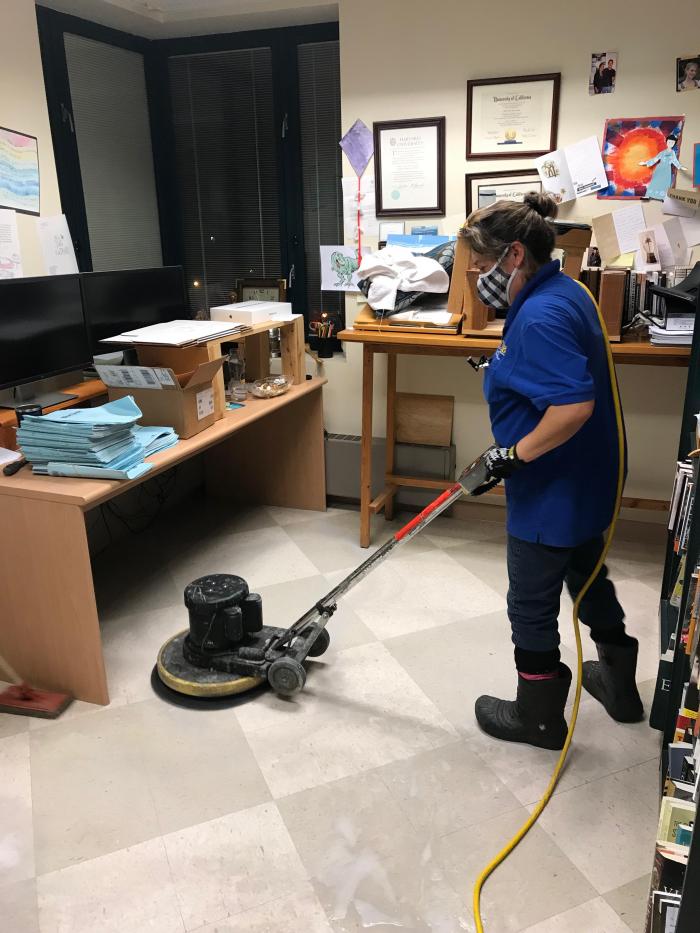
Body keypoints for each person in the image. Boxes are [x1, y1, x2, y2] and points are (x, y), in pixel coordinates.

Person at [459, 192, 643, 750]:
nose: (472, 271)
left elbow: (573, 406)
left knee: (531, 603)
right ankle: (619, 683)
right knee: (587, 574)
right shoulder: (567, 291)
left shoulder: (540, 314)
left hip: (550, 488)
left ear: (514, 255)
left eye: (479, 260)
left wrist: (510, 456)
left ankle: (537, 717)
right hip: (586, 481)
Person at [640, 134, 685, 201]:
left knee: (665, 183)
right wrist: (646, 163)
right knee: (655, 181)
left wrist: (680, 167)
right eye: (669, 142)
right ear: (666, 142)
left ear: (674, 144)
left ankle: (663, 197)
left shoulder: (672, 153)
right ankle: (648, 195)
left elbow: (675, 161)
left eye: (672, 142)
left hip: (667, 170)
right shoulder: (662, 152)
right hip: (660, 168)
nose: (670, 143)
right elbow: (655, 159)